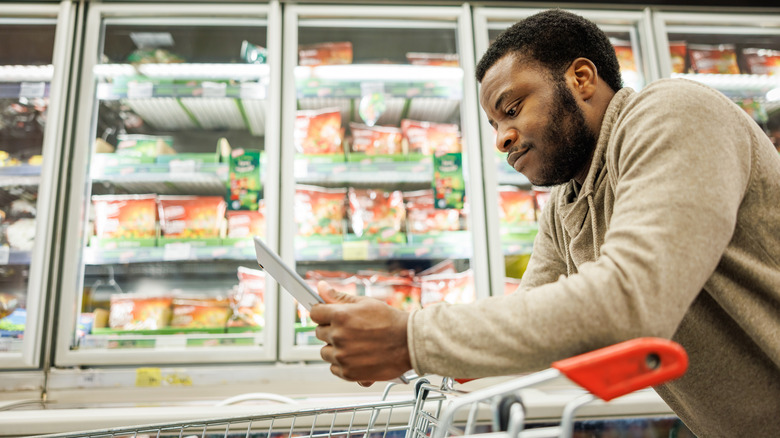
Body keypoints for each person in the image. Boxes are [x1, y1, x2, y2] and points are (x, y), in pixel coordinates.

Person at [310, 9, 780, 437]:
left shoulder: (672, 113)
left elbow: (633, 301)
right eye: (493, 124)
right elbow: (536, 311)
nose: (501, 139)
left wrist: (409, 337)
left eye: (511, 109)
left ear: (580, 78)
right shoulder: (566, 202)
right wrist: (393, 340)